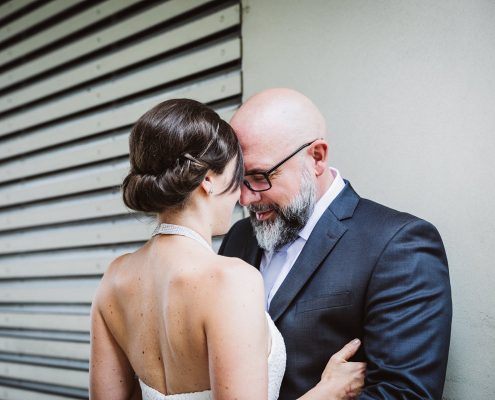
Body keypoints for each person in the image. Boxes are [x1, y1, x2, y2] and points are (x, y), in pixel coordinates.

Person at [89, 98, 366, 400]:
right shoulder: (231, 280)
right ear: (208, 180)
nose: (244, 198)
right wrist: (326, 394)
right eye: (239, 178)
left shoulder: (114, 278)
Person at [219, 88, 453, 399]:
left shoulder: (400, 245)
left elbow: (404, 393)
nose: (246, 198)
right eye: (239, 180)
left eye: (260, 176)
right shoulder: (238, 237)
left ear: (316, 157)